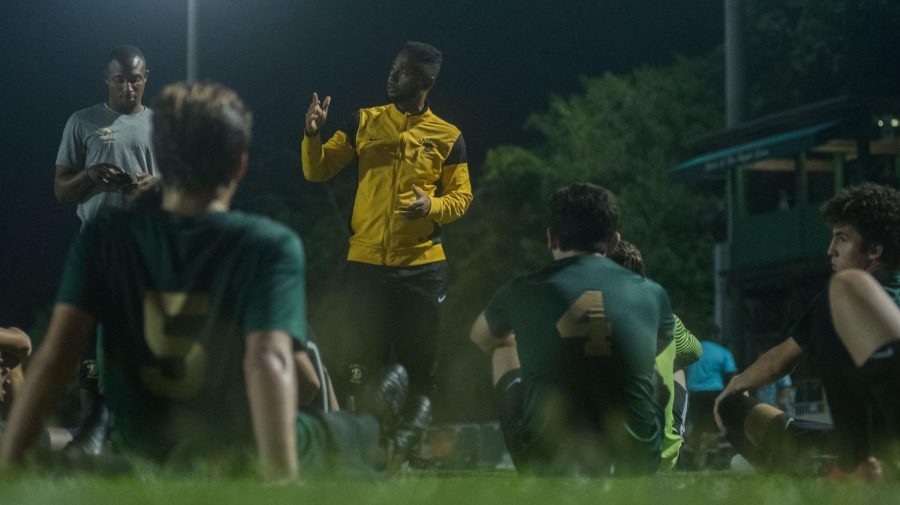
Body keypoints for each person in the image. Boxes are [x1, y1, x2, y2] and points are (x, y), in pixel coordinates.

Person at [0, 82, 429, 481]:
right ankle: (373, 428)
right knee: (337, 433)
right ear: (239, 165)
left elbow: (56, 358)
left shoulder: (103, 237)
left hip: (141, 445)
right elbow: (273, 364)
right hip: (235, 442)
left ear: (163, 159)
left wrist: (11, 463)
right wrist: (280, 478)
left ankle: (370, 427)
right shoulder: (266, 245)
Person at [301, 41, 472, 406]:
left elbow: (462, 198)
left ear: (425, 79)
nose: (392, 76)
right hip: (365, 266)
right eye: (393, 67)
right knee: (361, 362)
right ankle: (364, 445)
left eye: (403, 71)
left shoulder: (448, 136)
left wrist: (432, 205)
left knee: (419, 366)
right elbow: (318, 170)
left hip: (422, 270)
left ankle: (410, 451)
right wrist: (312, 135)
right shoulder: (365, 120)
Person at [469, 183, 673, 475]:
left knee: (504, 346)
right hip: (636, 460)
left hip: (544, 460)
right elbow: (658, 349)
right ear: (614, 242)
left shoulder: (521, 289)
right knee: (657, 363)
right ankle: (663, 446)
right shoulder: (653, 293)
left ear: (551, 237)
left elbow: (479, 336)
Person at [715, 183, 900, 478]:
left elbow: (778, 361)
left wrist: (733, 389)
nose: (831, 250)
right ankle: (832, 462)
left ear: (875, 249)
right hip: (862, 436)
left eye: (842, 238)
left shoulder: (844, 293)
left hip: (876, 447)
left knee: (733, 408)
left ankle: (853, 464)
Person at [53, 45, 159, 454]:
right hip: (97, 245)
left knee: (141, 339)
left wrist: (157, 187)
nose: (128, 87)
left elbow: (186, 190)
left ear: (146, 76)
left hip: (146, 246)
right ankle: (90, 430)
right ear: (107, 79)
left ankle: (140, 431)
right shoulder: (82, 122)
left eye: (135, 78)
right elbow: (61, 190)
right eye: (119, 80)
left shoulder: (163, 126)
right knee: (89, 340)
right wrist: (91, 177)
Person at [608, 240, 703, 471]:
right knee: (675, 366)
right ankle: (671, 442)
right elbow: (695, 351)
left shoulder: (592, 313)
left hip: (607, 460)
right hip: (662, 459)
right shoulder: (664, 315)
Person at [685, 331, 736, 465]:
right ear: (716, 337)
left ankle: (690, 459)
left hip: (694, 392)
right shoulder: (722, 352)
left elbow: (681, 370)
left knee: (696, 427)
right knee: (712, 427)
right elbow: (731, 375)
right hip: (714, 392)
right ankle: (711, 460)